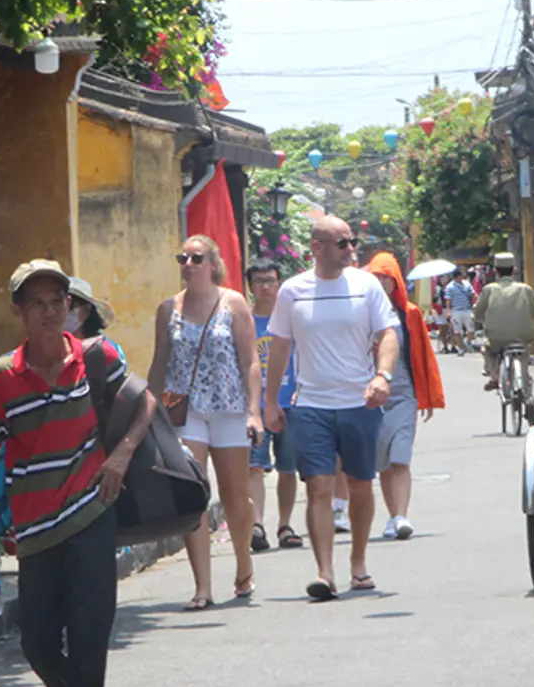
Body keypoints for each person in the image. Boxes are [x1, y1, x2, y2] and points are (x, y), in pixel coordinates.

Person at [0, 259, 155, 687]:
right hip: (33, 529)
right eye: (38, 304)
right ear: (19, 313)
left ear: (71, 308)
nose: (51, 312)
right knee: (39, 643)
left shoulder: (96, 357)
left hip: (93, 515)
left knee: (90, 635)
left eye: (59, 302)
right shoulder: (1, 377)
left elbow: (144, 403)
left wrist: (119, 455)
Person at [263, 215, 399, 600]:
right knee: (319, 486)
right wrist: (271, 401)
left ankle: (358, 562)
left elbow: (387, 333)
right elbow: (280, 347)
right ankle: (325, 572)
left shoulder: (366, 285)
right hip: (310, 405)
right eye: (342, 243)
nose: (351, 249)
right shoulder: (293, 291)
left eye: (352, 241)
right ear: (317, 248)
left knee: (359, 484)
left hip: (359, 401)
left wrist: (383, 376)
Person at [149, 235, 263, 610]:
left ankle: (244, 563)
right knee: (193, 495)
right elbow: (160, 363)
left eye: (195, 258)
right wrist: (149, 411)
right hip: (183, 408)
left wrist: (254, 411)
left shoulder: (233, 303)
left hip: (229, 408)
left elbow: (249, 360)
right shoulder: (168, 309)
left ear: (212, 263)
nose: (187, 263)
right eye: (182, 257)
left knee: (234, 496)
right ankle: (203, 587)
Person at [365, 252, 446, 541]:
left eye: (386, 278)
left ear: (396, 281)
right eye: (375, 278)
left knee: (400, 457)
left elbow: (423, 357)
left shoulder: (409, 314)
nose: (381, 283)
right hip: (369, 398)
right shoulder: (359, 312)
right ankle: (392, 515)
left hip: (403, 395)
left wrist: (427, 397)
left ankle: (401, 516)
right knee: (383, 461)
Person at [245, 259, 301, 551]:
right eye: (259, 281)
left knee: (288, 468)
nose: (266, 286)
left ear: (280, 283)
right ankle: (256, 524)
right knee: (254, 466)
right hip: (254, 407)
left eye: (271, 280)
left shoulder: (292, 319)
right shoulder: (243, 321)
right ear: (250, 286)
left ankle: (285, 524)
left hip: (289, 404)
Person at [474, 252, 534, 404]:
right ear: (514, 269)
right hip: (522, 337)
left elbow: (478, 313)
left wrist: (482, 319)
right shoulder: (525, 289)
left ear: (495, 271)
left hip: (496, 338)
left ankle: (495, 377)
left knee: (487, 350)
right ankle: (528, 395)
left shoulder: (489, 289)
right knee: (524, 362)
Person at [443, 268, 476, 355]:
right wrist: (448, 311)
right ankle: (461, 348)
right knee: (457, 331)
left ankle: (468, 342)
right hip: (456, 311)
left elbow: (472, 294)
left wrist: (476, 303)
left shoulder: (467, 284)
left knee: (471, 330)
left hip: (467, 310)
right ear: (458, 276)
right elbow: (448, 300)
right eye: (462, 274)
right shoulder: (450, 287)